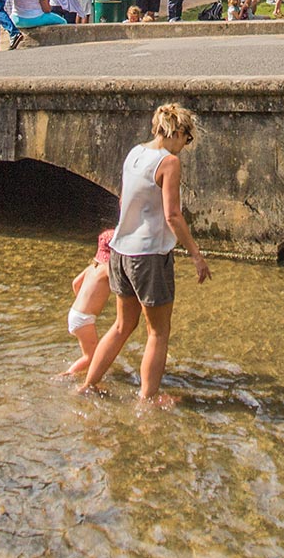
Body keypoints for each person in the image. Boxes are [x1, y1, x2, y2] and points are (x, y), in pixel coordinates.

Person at [78, 104, 211, 404]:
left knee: (122, 325)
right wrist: (196, 255)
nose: (184, 148)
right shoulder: (169, 162)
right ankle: (148, 399)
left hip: (121, 252)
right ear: (177, 133)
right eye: (186, 140)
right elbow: (173, 215)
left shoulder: (134, 153)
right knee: (158, 332)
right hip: (149, 256)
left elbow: (125, 199)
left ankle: (88, 384)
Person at [60, 229, 116, 378]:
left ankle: (90, 376)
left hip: (75, 313)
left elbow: (75, 284)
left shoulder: (92, 267)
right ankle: (66, 375)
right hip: (83, 319)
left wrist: (84, 301)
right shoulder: (106, 269)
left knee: (94, 352)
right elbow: (119, 285)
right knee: (90, 356)